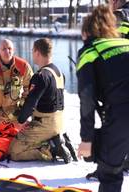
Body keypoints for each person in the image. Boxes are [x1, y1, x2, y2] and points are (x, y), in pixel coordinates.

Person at [76, 5, 129, 192]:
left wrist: (86, 139)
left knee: (110, 173)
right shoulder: (125, 43)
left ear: (86, 31)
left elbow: (87, 99)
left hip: (121, 113)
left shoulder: (89, 51)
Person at [8, 38, 70, 163]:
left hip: (44, 124)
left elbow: (31, 103)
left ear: (37, 52)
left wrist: (20, 122)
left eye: (32, 51)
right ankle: (55, 141)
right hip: (58, 123)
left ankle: (50, 149)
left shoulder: (41, 76)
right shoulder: (59, 73)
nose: (32, 54)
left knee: (14, 151)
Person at [0, 39, 33, 126]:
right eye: (4, 49)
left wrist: (22, 108)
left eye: (9, 48)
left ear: (13, 50)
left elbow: (30, 90)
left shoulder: (23, 66)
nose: (7, 51)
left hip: (14, 114)